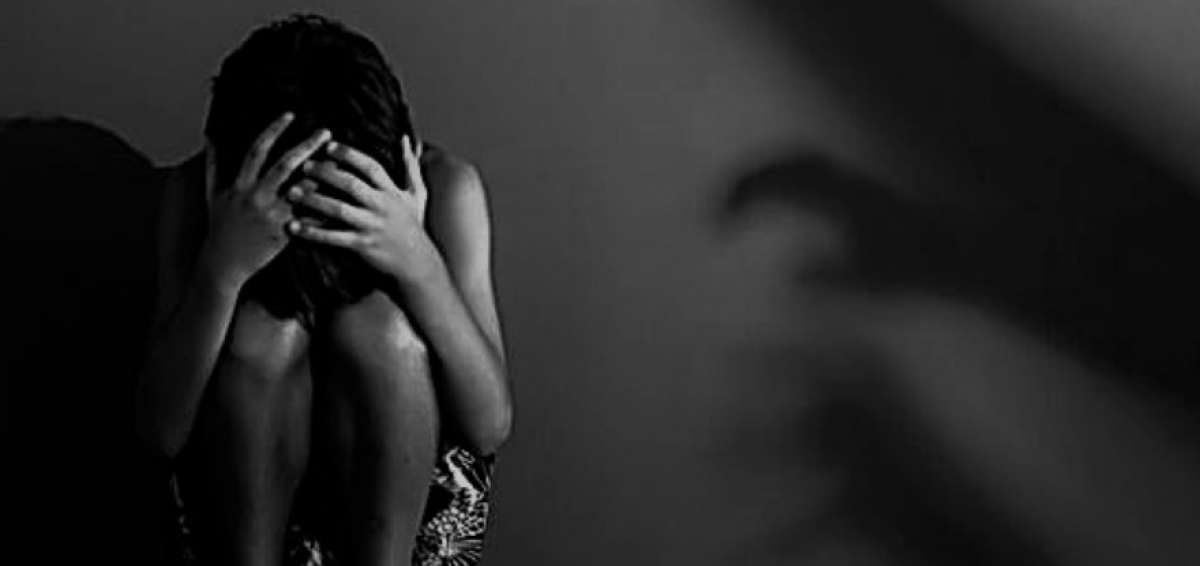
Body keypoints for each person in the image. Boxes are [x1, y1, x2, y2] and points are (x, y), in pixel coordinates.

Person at [134, 14, 512, 566]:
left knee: (380, 330)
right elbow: (159, 432)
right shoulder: (199, 196)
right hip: (237, 503)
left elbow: (489, 425)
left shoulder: (447, 189)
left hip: (404, 517)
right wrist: (221, 271)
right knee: (258, 334)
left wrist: (419, 264)